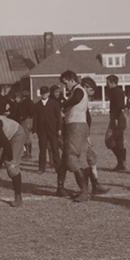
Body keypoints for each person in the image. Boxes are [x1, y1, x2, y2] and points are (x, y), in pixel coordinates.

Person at [55, 70, 91, 202]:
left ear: (71, 80)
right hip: (75, 126)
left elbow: (76, 99)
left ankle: (84, 191)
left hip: (76, 126)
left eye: (66, 83)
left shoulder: (78, 90)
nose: (65, 87)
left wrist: (63, 105)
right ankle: (61, 187)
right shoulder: (76, 91)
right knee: (67, 158)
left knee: (71, 158)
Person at [81, 77, 108, 195]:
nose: (92, 94)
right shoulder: (80, 100)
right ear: (86, 87)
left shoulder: (83, 101)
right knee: (86, 161)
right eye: (91, 90)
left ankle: (94, 184)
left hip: (83, 133)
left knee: (91, 159)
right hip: (80, 134)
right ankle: (88, 187)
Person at [32, 85, 62, 174]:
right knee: (42, 149)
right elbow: (35, 119)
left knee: (55, 149)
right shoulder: (37, 105)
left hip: (53, 130)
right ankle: (41, 168)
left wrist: (59, 128)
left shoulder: (54, 103)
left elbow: (59, 117)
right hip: (41, 131)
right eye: (42, 93)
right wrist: (34, 131)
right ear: (40, 94)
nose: (44, 95)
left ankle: (58, 168)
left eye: (45, 93)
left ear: (48, 93)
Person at [105, 74, 128, 171]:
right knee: (119, 141)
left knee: (109, 140)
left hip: (117, 118)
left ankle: (121, 161)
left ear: (111, 82)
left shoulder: (115, 92)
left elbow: (119, 106)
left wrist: (115, 118)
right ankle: (121, 163)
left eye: (107, 82)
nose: (106, 84)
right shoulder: (120, 91)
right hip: (121, 117)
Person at [10, 91, 34, 159]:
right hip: (31, 121)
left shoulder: (22, 103)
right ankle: (29, 153)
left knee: (25, 138)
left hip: (25, 121)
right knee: (29, 137)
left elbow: (20, 113)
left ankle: (27, 154)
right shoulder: (31, 102)